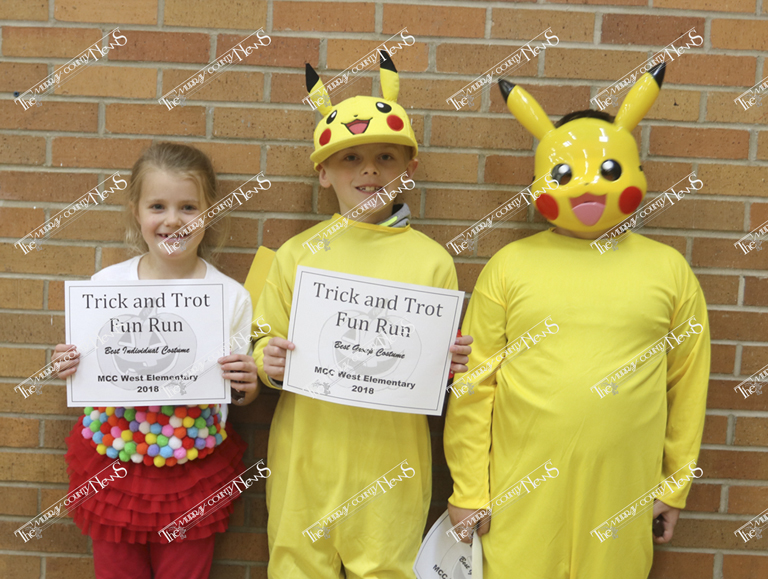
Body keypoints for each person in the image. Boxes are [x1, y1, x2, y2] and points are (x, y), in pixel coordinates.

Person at [444, 63, 711, 578]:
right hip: (520, 497)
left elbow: (688, 384)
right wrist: (469, 491)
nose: (588, 186)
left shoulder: (670, 271)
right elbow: (475, 385)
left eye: (605, 170)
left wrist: (675, 485)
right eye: (568, 173)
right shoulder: (509, 266)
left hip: (623, 498)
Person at [251, 52, 473, 578]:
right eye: (350, 158)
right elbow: (261, 337)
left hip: (391, 466)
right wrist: (267, 360)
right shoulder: (295, 253)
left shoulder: (434, 262)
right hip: (306, 459)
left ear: (409, 170)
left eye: (385, 157)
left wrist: (452, 366)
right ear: (323, 172)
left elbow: (437, 368)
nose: (369, 170)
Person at [53, 142, 260, 579]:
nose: (172, 220)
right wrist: (68, 365)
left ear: (209, 212)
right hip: (115, 458)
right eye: (158, 206)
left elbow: (237, 394)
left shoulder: (231, 297)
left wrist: (247, 384)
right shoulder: (104, 285)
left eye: (188, 207)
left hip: (191, 462)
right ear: (136, 211)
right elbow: (89, 366)